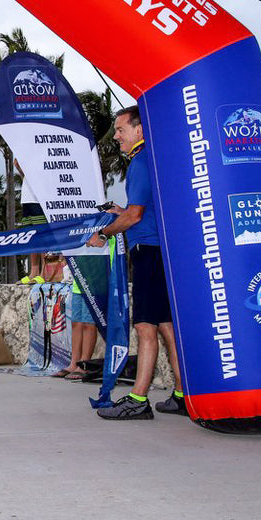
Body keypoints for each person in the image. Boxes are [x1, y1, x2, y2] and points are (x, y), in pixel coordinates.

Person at [86, 105, 185, 420]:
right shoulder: (153, 161)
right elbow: (139, 210)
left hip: (149, 252)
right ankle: (184, 395)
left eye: (120, 129)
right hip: (162, 252)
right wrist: (122, 212)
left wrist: (103, 232)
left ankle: (138, 398)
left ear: (140, 130)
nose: (116, 136)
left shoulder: (140, 163)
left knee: (145, 327)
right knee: (167, 327)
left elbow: (137, 215)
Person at [15, 160, 46, 284]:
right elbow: (21, 168)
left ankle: (45, 272)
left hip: (40, 198)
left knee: (43, 236)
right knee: (32, 236)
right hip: (27, 198)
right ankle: (34, 271)